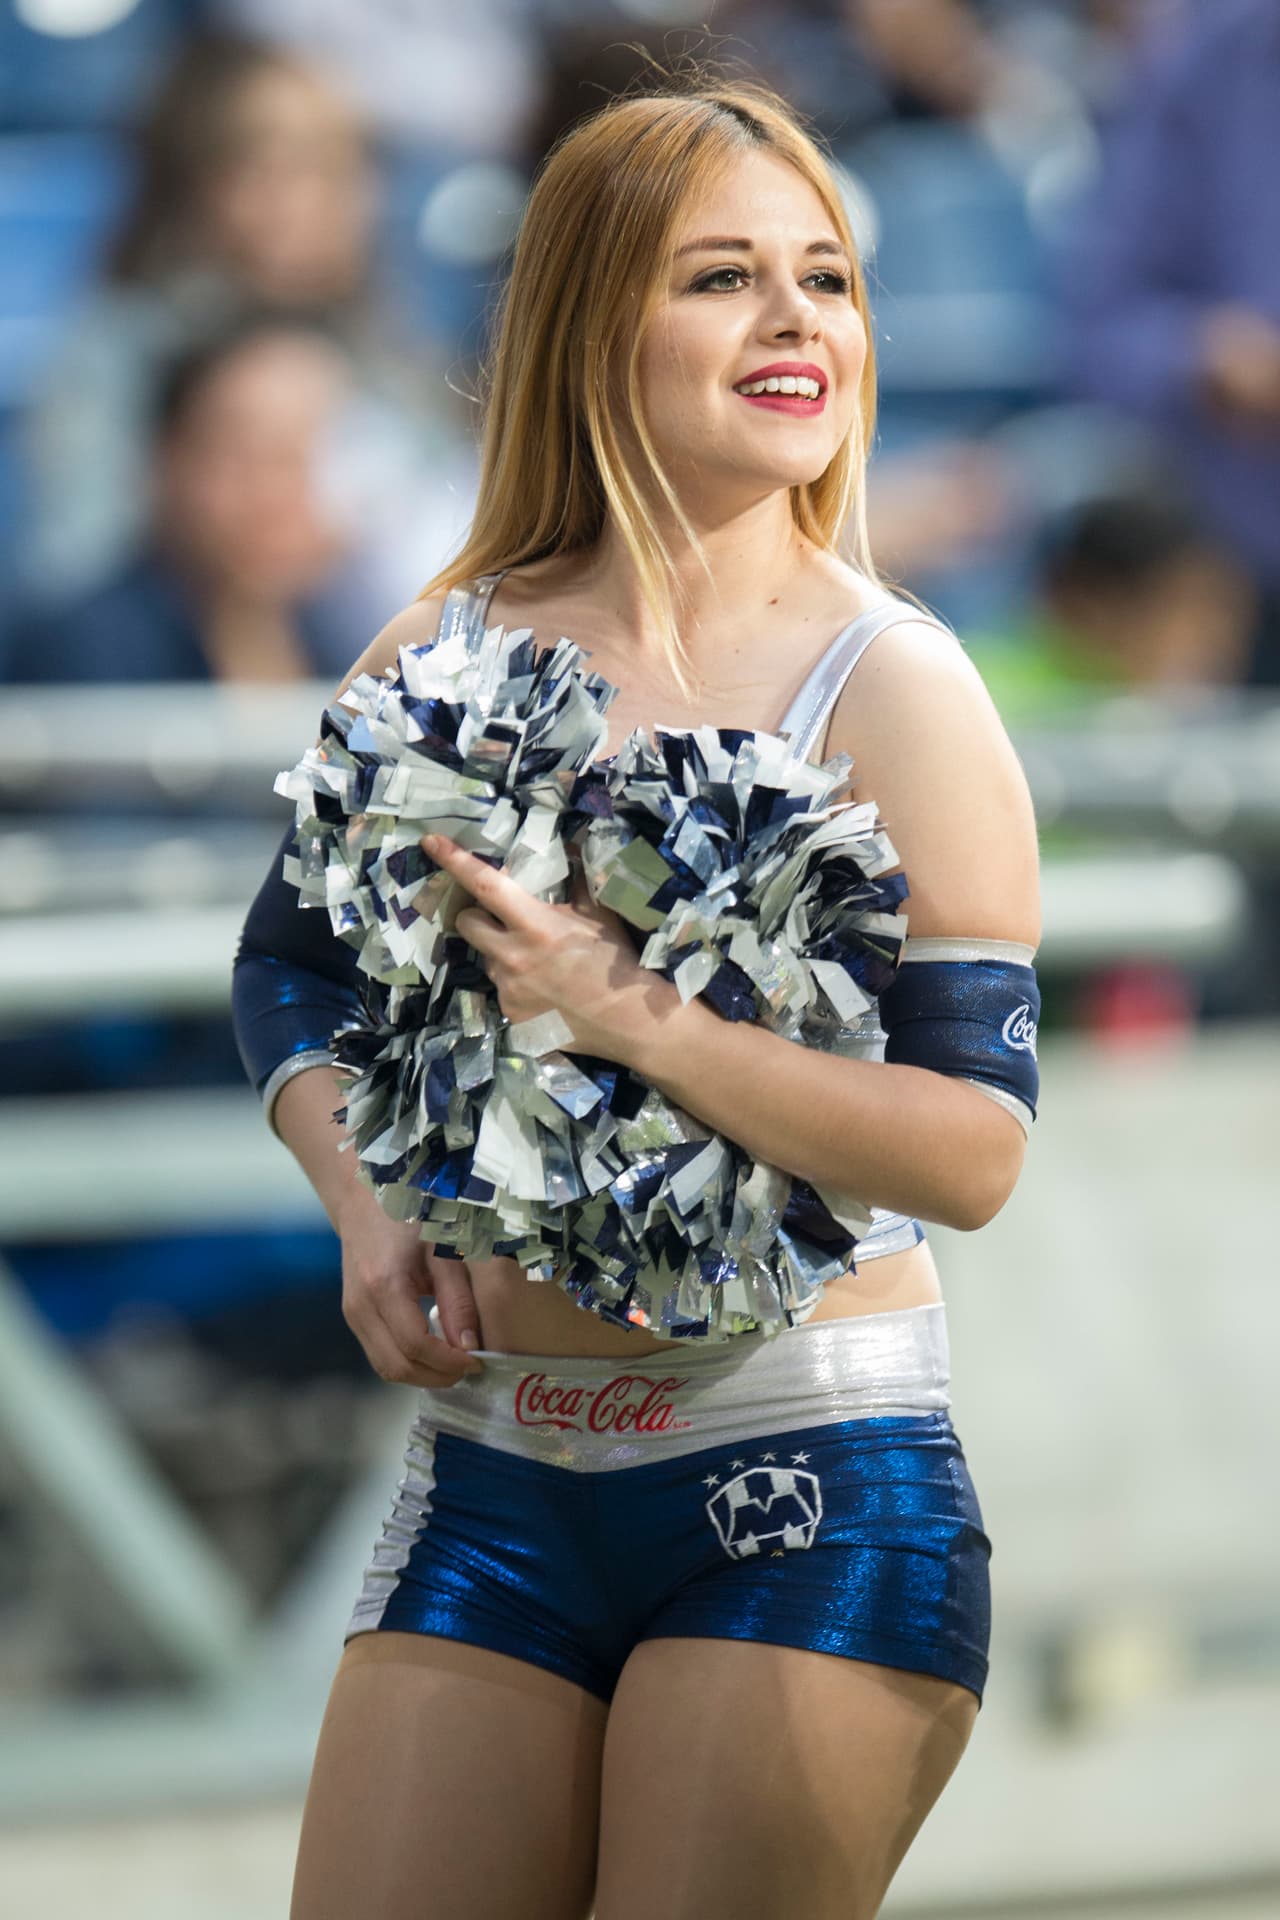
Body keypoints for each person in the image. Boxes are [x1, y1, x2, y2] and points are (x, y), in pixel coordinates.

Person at [232, 75, 1041, 1920]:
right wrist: (364, 1204)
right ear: (598, 321)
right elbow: (285, 967)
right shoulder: (438, 647)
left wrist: (646, 1019)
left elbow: (975, 1149)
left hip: (804, 1486)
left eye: (826, 278)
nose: (795, 323)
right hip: (497, 1466)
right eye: (723, 278)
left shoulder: (896, 683)